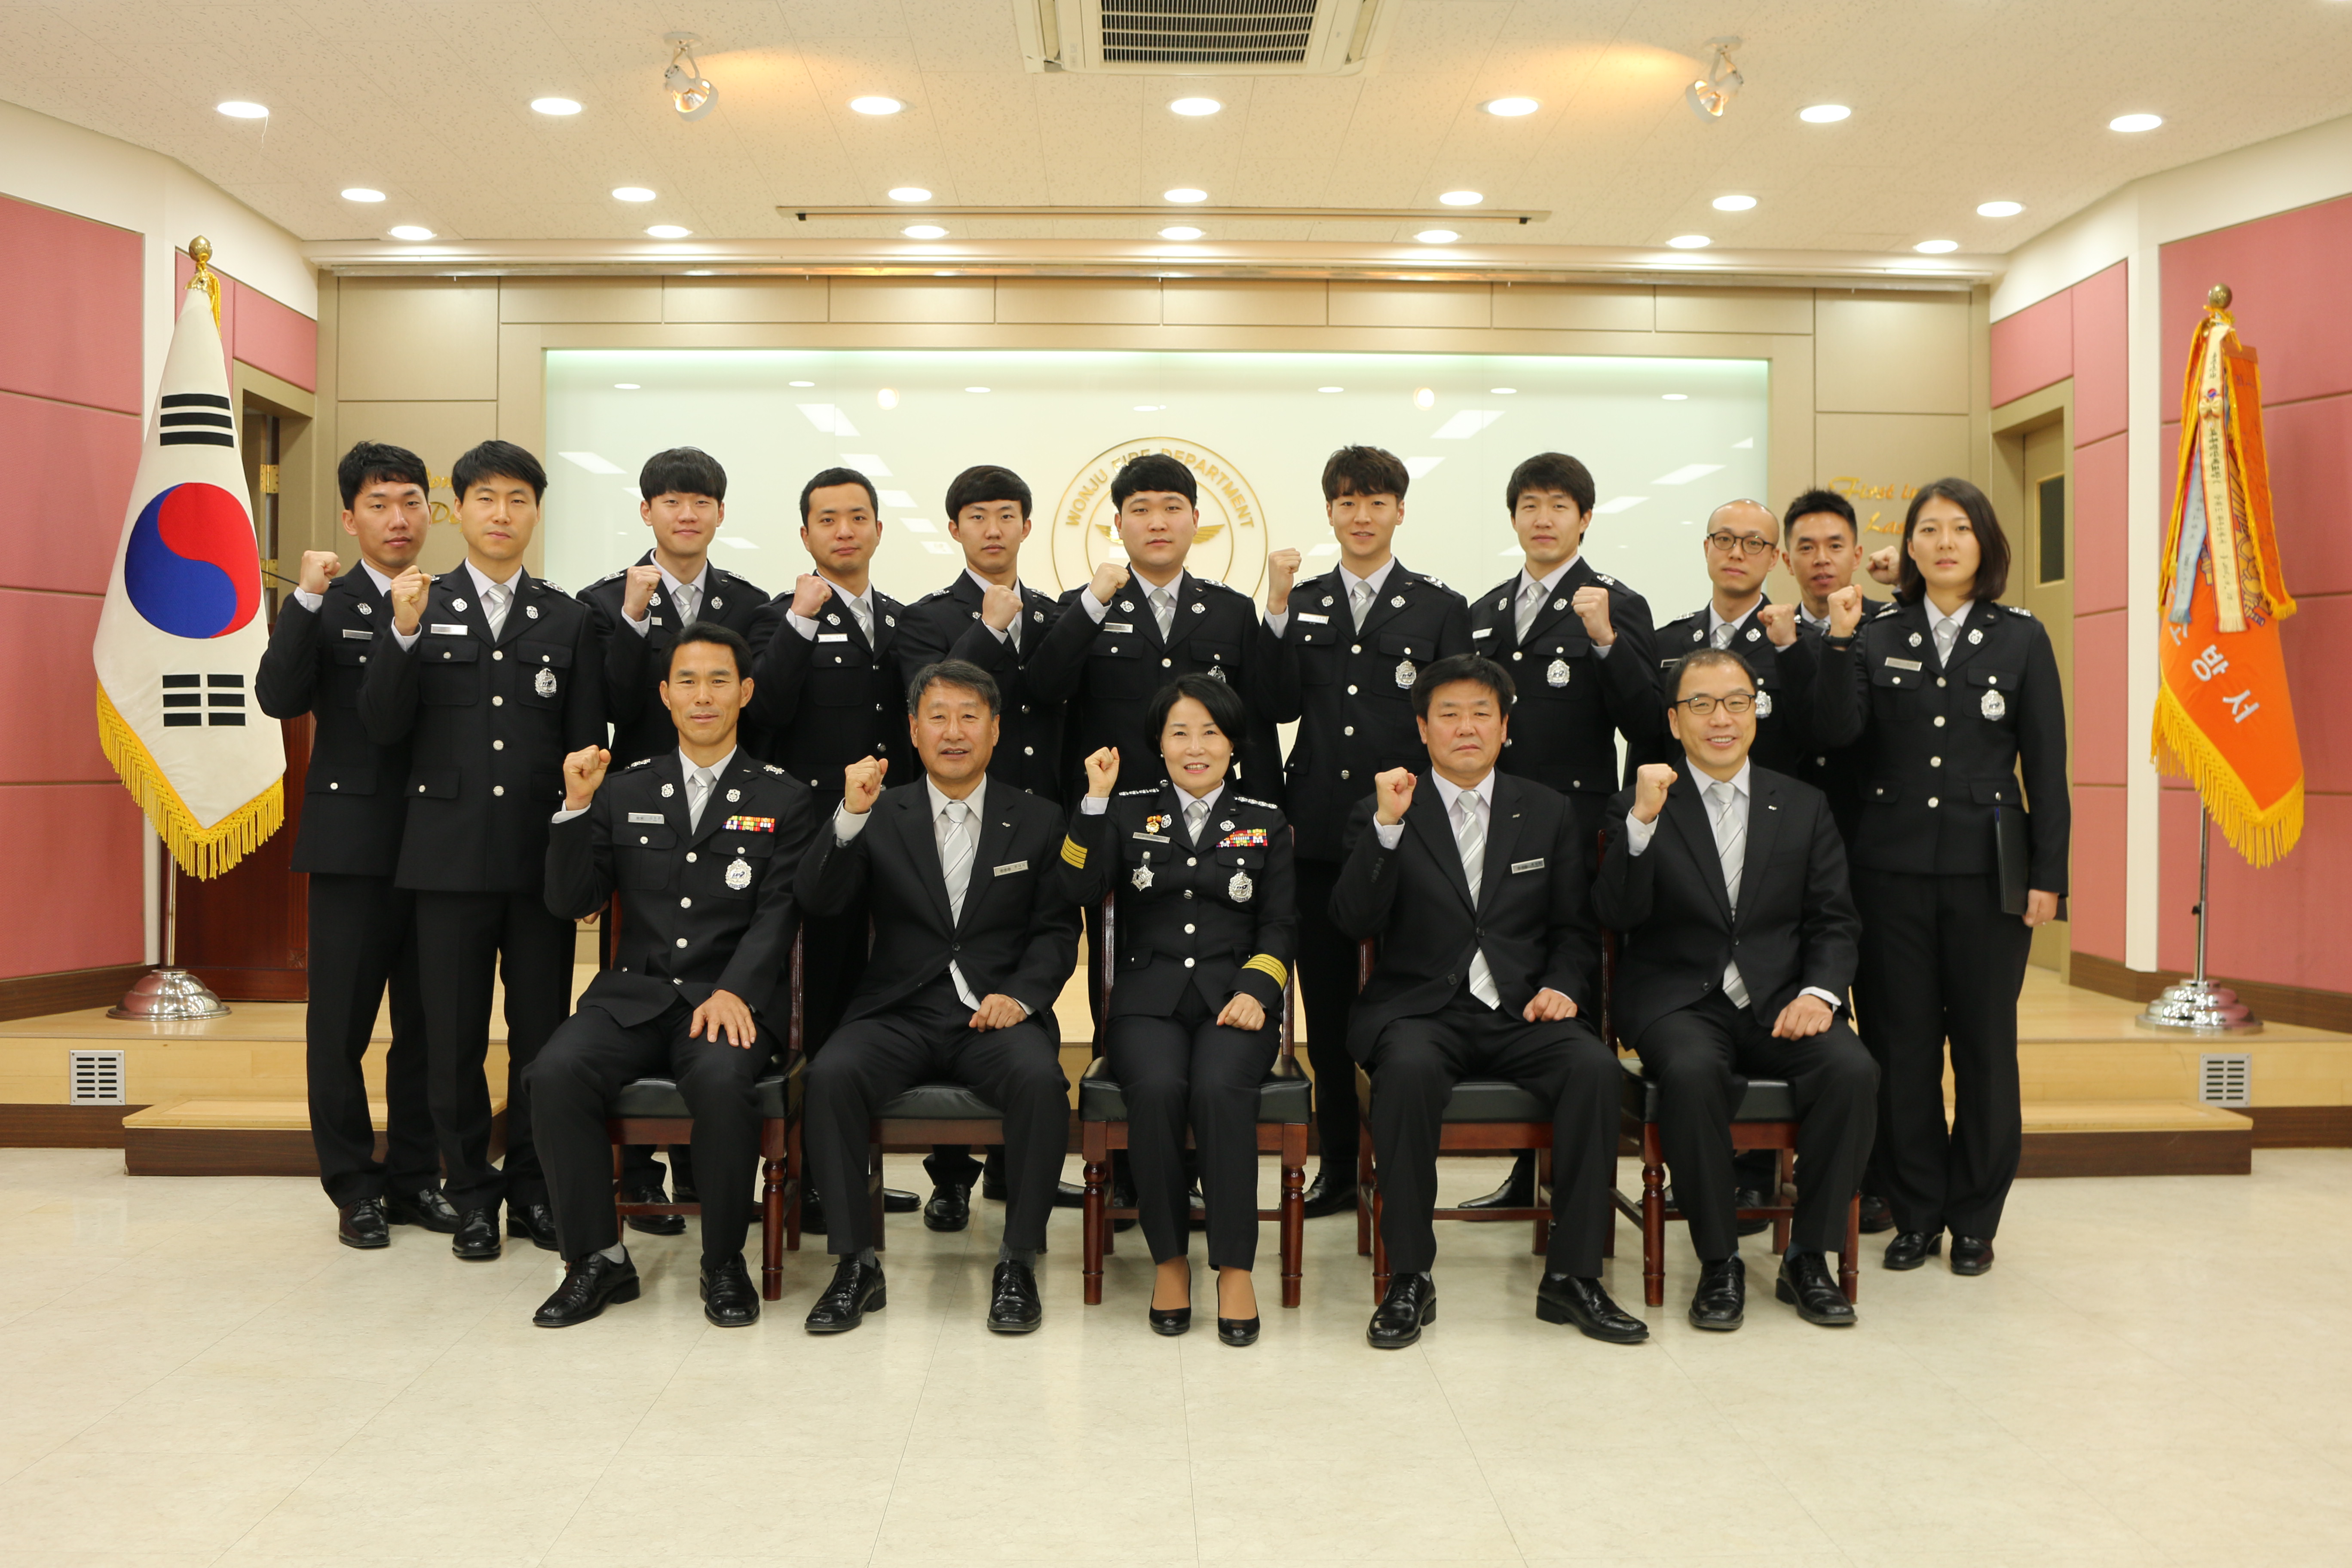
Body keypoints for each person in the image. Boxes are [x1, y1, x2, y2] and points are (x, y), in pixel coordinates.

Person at [1332, 655, 1645, 1350]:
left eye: (1482, 713)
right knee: (1406, 1073)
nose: (1466, 727)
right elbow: (1353, 920)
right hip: (1420, 1010)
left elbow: (1573, 928)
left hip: (1522, 1009)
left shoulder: (1547, 810)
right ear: (1422, 729)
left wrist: (1563, 986)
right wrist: (1386, 829)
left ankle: (1573, 1276)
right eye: (1449, 714)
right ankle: (1408, 1276)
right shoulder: (1385, 807)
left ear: (1506, 727)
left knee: (1594, 1069)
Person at [527, 624, 816, 1328]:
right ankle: (597, 1257)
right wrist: (574, 806)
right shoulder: (622, 789)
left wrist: (736, 990)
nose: (703, 695)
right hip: (632, 996)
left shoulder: (783, 797)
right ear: (664, 694)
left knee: (720, 1079)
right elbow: (571, 900)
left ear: (745, 693)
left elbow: (779, 914)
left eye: (719, 680)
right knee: (554, 1072)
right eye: (687, 681)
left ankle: (723, 1261)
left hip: (728, 997)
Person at [1814, 478, 2068, 1277]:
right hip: (1888, 874)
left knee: (1986, 1048)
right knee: (1902, 1048)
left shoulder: (2021, 638)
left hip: (1990, 877)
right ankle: (1917, 1212)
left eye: (1960, 528)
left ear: (1985, 544)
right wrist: (1839, 642)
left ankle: (1977, 1217)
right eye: (1929, 529)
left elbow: (2046, 767)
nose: (1945, 542)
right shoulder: (1876, 631)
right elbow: (1839, 734)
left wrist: (2049, 875)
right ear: (1909, 548)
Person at [360, 440, 605, 1259]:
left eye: (518, 499)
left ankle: (535, 1189)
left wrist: (583, 857)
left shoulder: (568, 618)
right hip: (447, 862)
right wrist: (401, 633)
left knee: (542, 1038)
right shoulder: (417, 604)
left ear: (537, 512)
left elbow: (584, 752)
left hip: (539, 866)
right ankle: (469, 1192)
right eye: (486, 499)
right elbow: (382, 725)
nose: (502, 515)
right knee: (452, 1038)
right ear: (457, 510)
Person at [796, 661, 1081, 1336]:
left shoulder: (1038, 818)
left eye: (969, 717)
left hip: (995, 1014)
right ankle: (855, 1264)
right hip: (898, 1011)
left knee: (1042, 1083)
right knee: (831, 1075)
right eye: (938, 717)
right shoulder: (878, 811)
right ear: (913, 730)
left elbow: (1055, 931)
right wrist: (848, 817)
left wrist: (1021, 997)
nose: (954, 732)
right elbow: (818, 900)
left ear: (995, 730)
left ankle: (1017, 1263)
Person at [1594, 648, 1875, 1330]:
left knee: (1853, 1071)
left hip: (1782, 998)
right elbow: (1616, 915)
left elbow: (1835, 920)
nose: (1720, 719)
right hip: (1678, 999)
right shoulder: (1639, 803)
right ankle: (1720, 1261)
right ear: (1674, 720)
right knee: (1692, 1073)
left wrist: (1819, 995)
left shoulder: (1803, 804)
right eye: (1701, 704)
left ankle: (1808, 1257)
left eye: (1736, 703)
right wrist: (1641, 826)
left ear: (1757, 711)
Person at [1261, 445, 1470, 1221]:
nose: (1361, 515)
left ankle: (1399, 1165)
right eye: (1347, 502)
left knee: (1405, 1002)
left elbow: (1456, 720)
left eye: (1377, 501)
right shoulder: (1303, 599)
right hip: (1319, 835)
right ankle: (1341, 1166)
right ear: (1329, 511)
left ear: (1400, 511)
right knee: (1326, 1008)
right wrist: (1275, 608)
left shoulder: (1438, 606)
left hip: (1409, 837)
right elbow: (1277, 706)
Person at [254, 441, 453, 1250]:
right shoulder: (325, 602)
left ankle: (415, 1177)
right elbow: (278, 696)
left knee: (427, 1027)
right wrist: (302, 597)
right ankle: (352, 1186)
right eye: (378, 504)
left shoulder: (454, 600)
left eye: (411, 502)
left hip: (439, 843)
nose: (398, 519)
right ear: (348, 517)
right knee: (339, 1027)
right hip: (350, 846)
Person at [1058, 674, 1295, 1345]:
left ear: (1232, 744)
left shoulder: (1265, 821)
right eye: (1180, 733)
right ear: (1158, 744)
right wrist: (1094, 801)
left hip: (1236, 1001)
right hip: (1146, 1002)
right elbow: (1077, 886)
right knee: (1159, 1089)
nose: (1196, 748)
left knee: (1220, 1089)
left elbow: (1281, 925)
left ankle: (1234, 1267)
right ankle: (1168, 1260)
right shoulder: (1126, 810)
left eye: (1210, 733)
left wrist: (1258, 992)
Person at [1461, 452, 1665, 1215]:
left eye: (1558, 505)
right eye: (1529, 505)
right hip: (1491, 833)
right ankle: (1526, 1166)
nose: (1542, 519)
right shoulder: (1485, 608)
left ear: (1585, 519)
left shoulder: (1617, 602)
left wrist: (1605, 639)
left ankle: (1576, 1180)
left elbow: (1649, 722)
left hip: (1574, 833)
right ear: (1513, 517)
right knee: (1512, 983)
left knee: (1572, 994)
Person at [578, 444, 769, 1227]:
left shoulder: (749, 602)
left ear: (720, 513)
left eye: (700, 502)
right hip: (638, 816)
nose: (686, 514)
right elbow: (612, 701)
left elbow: (764, 705)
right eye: (670, 501)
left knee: (711, 982)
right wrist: (631, 620)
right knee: (639, 976)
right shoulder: (602, 601)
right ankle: (638, 1175)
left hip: (726, 808)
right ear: (646, 511)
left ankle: (698, 1170)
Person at [894, 463, 1069, 1229]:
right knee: (950, 977)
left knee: (1023, 972)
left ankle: (1016, 1166)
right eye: (976, 516)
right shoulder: (927, 617)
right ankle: (950, 1176)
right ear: (954, 528)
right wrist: (991, 627)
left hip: (1035, 825)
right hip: (953, 822)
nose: (992, 529)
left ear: (1027, 526)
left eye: (1006, 515)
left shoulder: (1058, 614)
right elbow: (933, 693)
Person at [744, 466, 919, 1225]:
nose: (844, 530)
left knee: (874, 1009)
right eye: (827, 519)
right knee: (815, 1015)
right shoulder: (775, 617)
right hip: (819, 847)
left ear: (879, 528)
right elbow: (764, 714)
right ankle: (810, 1179)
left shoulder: (904, 619)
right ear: (805, 533)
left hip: (896, 847)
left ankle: (857, 1168)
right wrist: (800, 621)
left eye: (857, 517)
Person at [1783, 486, 1899, 1234]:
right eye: (1806, 547)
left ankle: (1878, 1178)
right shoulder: (1769, 632)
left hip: (1876, 846)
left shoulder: (1893, 627)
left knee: (1885, 1020)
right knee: (1787, 1004)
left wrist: (1907, 580)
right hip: (1787, 852)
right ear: (1786, 558)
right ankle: (1767, 1172)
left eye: (1835, 546)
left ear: (1858, 553)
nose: (1821, 560)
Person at [1648, 499, 1816, 776]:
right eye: (1724, 540)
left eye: (1754, 543)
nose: (1736, 553)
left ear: (1774, 558)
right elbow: (1648, 744)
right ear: (1707, 548)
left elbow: (1815, 735)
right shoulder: (1666, 642)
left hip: (1771, 799)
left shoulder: (1798, 642)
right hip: (1681, 798)